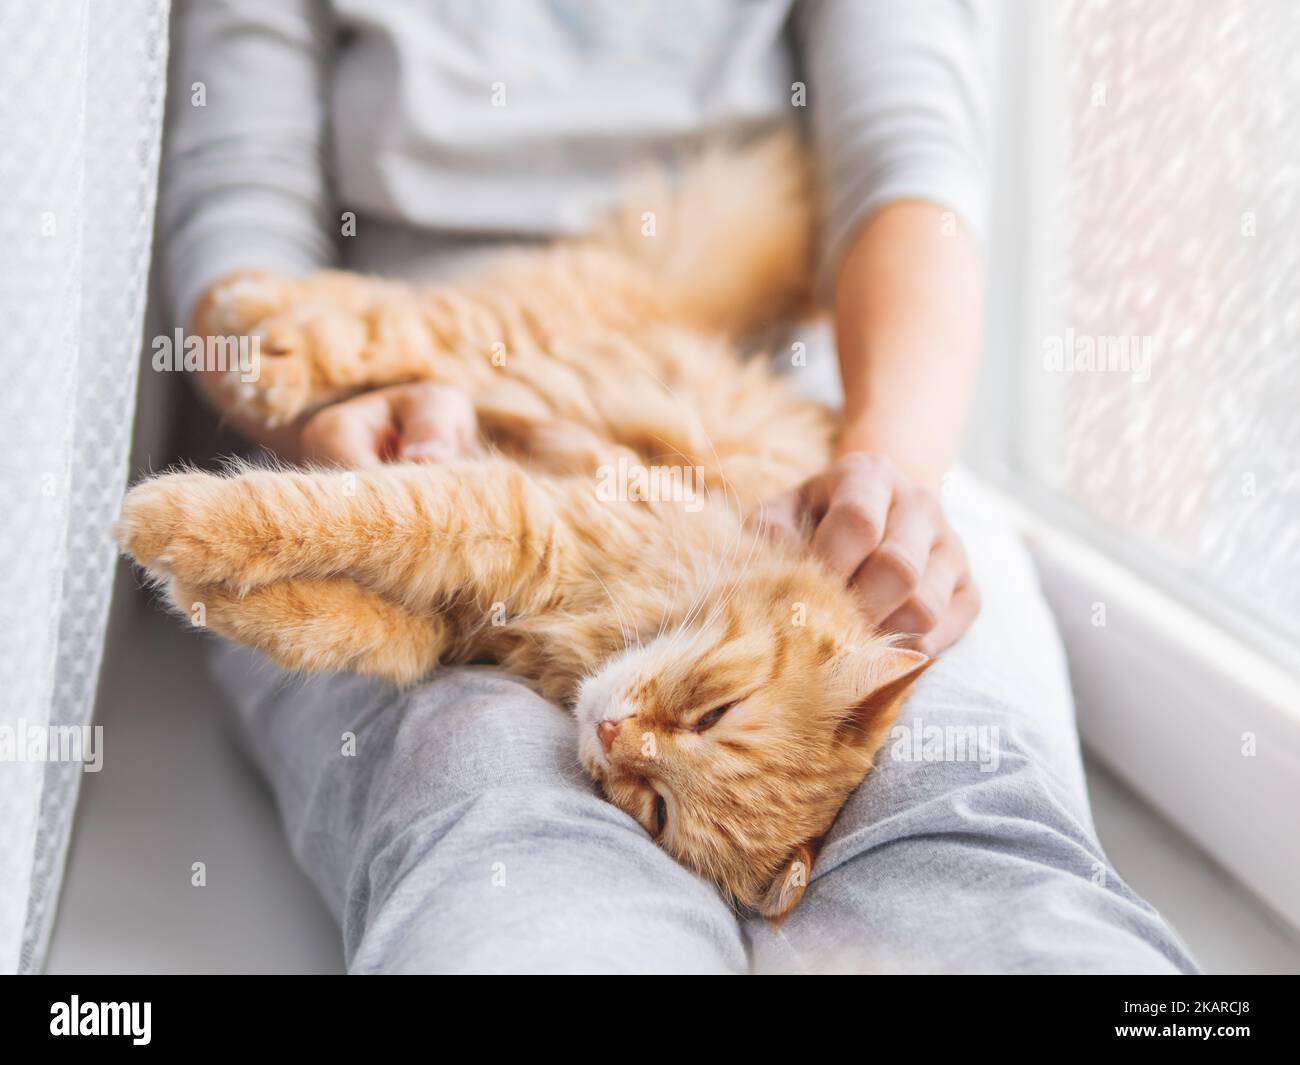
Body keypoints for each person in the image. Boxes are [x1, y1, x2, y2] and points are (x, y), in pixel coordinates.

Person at [161, 0, 1197, 973]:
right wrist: (309, 410)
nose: (618, 739)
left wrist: (886, 481)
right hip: (402, 391)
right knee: (493, 798)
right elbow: (236, 200)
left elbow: (906, 153)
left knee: (964, 804)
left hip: (801, 435)